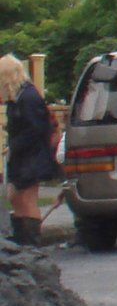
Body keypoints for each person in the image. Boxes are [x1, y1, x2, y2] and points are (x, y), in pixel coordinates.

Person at [1, 55, 60, 247]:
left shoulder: (28, 98)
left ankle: (30, 243)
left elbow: (36, 129)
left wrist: (14, 145)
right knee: (15, 196)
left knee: (26, 199)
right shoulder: (18, 97)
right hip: (23, 156)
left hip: (32, 157)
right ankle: (23, 239)